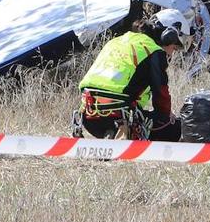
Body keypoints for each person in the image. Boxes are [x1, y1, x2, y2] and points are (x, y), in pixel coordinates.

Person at [76, 9, 189, 141]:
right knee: (174, 129)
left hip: (88, 117)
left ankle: (113, 134)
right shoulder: (154, 51)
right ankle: (120, 132)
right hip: (120, 116)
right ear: (168, 36)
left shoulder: (116, 41)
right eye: (174, 48)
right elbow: (161, 94)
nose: (171, 54)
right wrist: (166, 118)